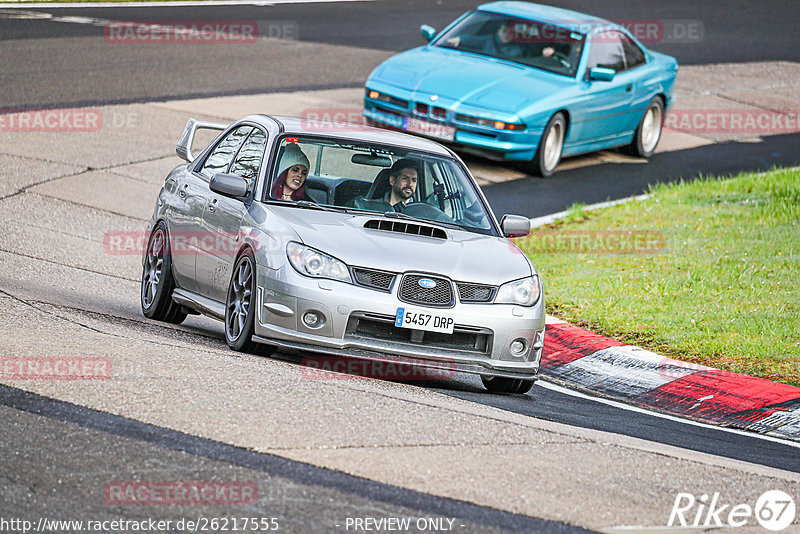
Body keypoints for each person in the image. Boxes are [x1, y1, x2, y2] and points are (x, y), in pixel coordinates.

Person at [353, 158, 421, 212]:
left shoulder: (420, 212)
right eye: (405, 178)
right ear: (392, 181)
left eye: (414, 180)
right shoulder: (370, 208)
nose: (410, 183)